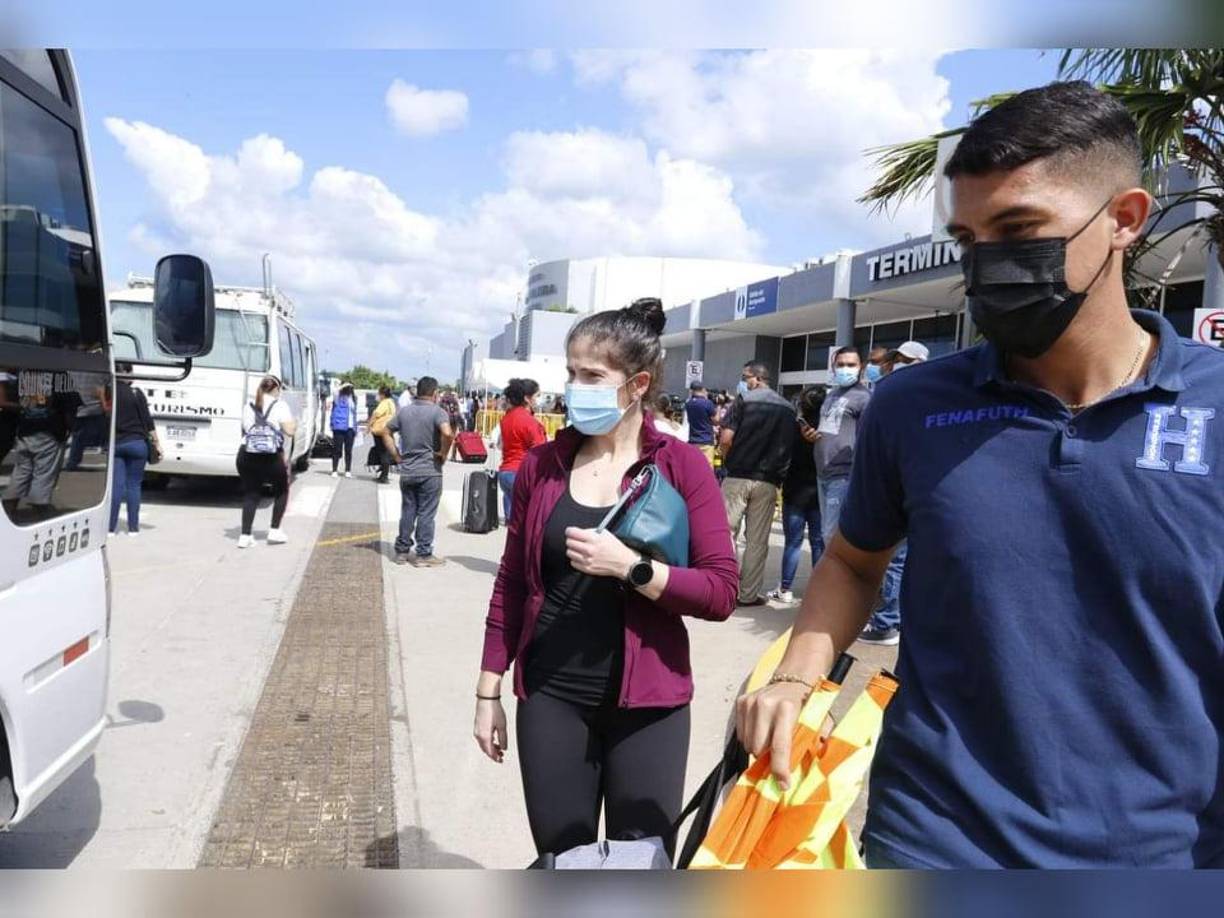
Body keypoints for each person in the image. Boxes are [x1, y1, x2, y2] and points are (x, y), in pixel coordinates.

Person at [737, 81, 1224, 869]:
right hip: (935, 836)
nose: (989, 262)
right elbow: (854, 561)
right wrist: (795, 677)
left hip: (1161, 853)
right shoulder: (912, 406)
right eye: (969, 239)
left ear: (1125, 220)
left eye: (1020, 228)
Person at [474, 297, 738, 861]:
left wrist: (634, 569)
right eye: (571, 372)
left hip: (650, 706)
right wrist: (488, 690)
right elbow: (511, 586)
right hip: (552, 697)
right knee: (560, 861)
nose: (576, 387)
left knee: (638, 870)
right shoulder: (542, 466)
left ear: (638, 383)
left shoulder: (682, 466)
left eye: (592, 375)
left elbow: (720, 592)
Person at [858, 339, 931, 645]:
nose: (893, 364)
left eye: (903, 359)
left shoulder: (926, 396)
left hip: (909, 488)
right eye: (894, 359)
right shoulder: (892, 394)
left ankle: (887, 623)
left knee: (897, 560)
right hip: (893, 487)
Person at [719, 362, 795, 607]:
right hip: (768, 481)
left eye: (745, 377)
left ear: (757, 379)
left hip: (738, 475)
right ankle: (748, 594)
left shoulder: (743, 400)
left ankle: (724, 587)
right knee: (757, 541)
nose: (743, 381)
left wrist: (728, 459)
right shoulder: (787, 408)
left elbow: (726, 438)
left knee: (726, 533)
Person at [381, 375, 454, 567]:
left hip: (408, 470)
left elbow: (385, 431)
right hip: (430, 470)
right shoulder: (438, 412)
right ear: (435, 393)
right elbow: (447, 433)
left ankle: (402, 551)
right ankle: (423, 553)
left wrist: (397, 456)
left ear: (418, 391)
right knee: (426, 513)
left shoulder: (404, 412)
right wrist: (444, 453)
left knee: (408, 510)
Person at [766, 386, 825, 605]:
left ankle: (786, 588)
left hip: (794, 491)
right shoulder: (827, 430)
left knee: (793, 542)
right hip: (819, 493)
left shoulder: (792, 427)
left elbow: (781, 456)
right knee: (818, 543)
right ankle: (819, 590)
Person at [813, 346, 871, 546]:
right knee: (826, 532)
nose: (845, 368)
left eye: (851, 365)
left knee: (832, 535)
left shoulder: (864, 398)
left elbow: (866, 439)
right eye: (841, 364)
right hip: (823, 473)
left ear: (860, 367)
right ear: (833, 366)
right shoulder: (831, 395)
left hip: (844, 474)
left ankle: (840, 577)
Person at [236, 376, 296, 549]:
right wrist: (295, 424)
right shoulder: (280, 405)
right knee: (282, 490)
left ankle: (245, 535)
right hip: (270, 456)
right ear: (276, 389)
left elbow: (245, 429)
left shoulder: (248, 405)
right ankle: (275, 530)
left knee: (251, 493)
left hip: (246, 454)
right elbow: (289, 431)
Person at [108, 367, 158, 536]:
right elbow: (148, 421)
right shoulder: (136, 393)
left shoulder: (110, 392)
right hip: (137, 444)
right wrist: (157, 444)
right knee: (134, 486)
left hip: (116, 444)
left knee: (116, 486)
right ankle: (133, 529)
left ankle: (110, 528)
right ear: (128, 374)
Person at [497, 378, 547, 522]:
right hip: (521, 473)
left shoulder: (507, 418)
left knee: (514, 522)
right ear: (527, 398)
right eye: (537, 396)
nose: (539, 400)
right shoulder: (530, 421)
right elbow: (540, 452)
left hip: (505, 471)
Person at [368, 385, 397, 483]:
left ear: (383, 394)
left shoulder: (384, 403)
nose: (378, 395)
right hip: (388, 430)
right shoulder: (392, 403)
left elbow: (375, 415)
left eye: (379, 393)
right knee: (385, 452)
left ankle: (384, 476)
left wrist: (368, 426)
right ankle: (384, 474)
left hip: (380, 431)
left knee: (383, 453)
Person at [329, 383, 358, 478]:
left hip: (350, 428)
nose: (349, 389)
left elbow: (354, 414)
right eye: (348, 387)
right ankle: (334, 470)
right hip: (339, 427)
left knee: (348, 450)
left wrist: (355, 428)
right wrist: (344, 385)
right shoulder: (338, 397)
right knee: (337, 449)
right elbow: (334, 391)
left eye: (351, 387)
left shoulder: (353, 398)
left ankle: (348, 470)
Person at [684, 383, 717, 465]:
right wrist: (718, 407)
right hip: (706, 440)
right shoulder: (707, 403)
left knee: (694, 466)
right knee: (707, 467)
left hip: (693, 440)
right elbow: (716, 420)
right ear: (703, 390)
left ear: (691, 391)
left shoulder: (688, 403)